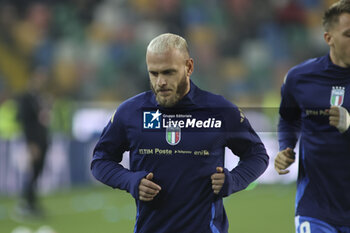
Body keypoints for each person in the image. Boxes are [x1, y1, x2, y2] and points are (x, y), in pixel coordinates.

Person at [91, 33, 269, 233]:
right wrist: (131, 181)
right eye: (154, 73)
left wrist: (234, 180)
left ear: (189, 67)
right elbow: (100, 161)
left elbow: (257, 155)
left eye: (168, 72)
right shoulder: (130, 112)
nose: (160, 82)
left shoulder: (220, 111)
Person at [274, 1, 350, 232]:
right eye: (349, 34)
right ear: (329, 38)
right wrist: (286, 147)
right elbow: (288, 118)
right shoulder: (300, 78)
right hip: (315, 208)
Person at [16, 66, 51, 217]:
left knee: (38, 171)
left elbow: (42, 120)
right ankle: (26, 203)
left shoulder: (39, 98)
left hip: (42, 139)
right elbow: (25, 121)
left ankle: (32, 202)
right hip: (34, 141)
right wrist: (31, 143)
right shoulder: (25, 98)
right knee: (33, 171)